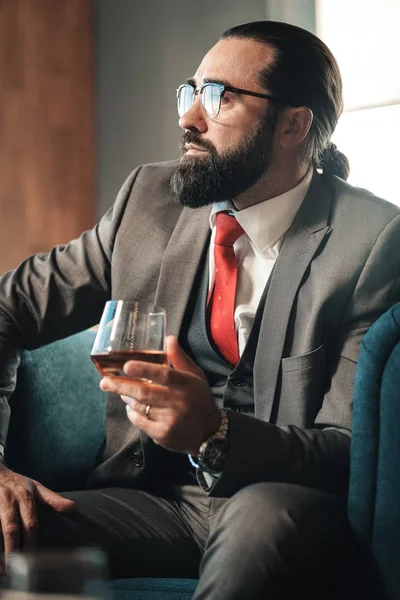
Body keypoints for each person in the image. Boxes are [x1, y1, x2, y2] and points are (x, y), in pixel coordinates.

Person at [0, 19, 399, 599]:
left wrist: (214, 433)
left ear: (294, 124)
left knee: (259, 522)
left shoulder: (374, 241)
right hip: (147, 502)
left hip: (282, 503)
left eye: (221, 97)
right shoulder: (147, 199)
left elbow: (354, 449)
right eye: (191, 92)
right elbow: (8, 309)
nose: (189, 118)